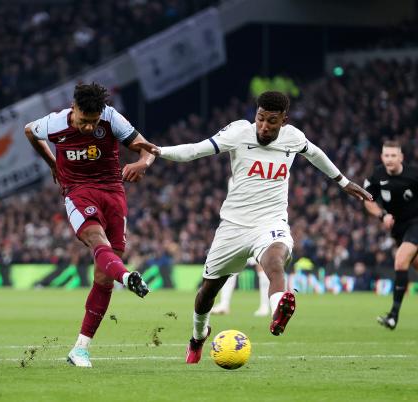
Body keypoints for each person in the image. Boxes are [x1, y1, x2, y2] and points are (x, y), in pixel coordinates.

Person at [137, 91, 371, 364]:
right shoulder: (239, 133)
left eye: (272, 121)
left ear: (284, 120)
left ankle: (277, 313)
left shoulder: (293, 137)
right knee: (207, 294)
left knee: (275, 261)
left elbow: (315, 153)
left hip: (271, 222)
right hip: (233, 227)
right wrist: (159, 151)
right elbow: (196, 150)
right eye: (260, 118)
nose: (264, 126)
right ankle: (198, 337)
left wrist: (343, 182)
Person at [25, 82, 156, 368]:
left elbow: (148, 149)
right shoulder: (56, 123)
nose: (88, 127)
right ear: (73, 109)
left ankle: (80, 349)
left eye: (93, 122)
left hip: (113, 192)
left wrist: (142, 163)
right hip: (78, 191)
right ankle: (127, 278)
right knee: (98, 242)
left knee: (103, 276)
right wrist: (52, 163)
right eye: (84, 121)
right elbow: (29, 131)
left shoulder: (111, 119)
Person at [363, 141, 418, 330]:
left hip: (416, 223)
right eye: (386, 155)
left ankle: (393, 316)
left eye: (393, 155)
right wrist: (381, 215)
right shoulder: (377, 175)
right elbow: (367, 199)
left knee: (400, 261)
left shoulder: (413, 175)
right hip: (399, 230)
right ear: (382, 157)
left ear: (401, 157)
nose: (390, 159)